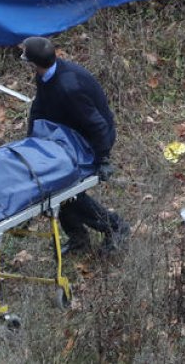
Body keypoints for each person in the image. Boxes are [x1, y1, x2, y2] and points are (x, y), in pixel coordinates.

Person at [21, 36, 131, 255]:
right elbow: (39, 107)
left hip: (89, 142)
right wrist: (31, 141)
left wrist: (102, 159)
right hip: (67, 137)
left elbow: (98, 125)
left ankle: (115, 226)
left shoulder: (68, 87)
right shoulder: (46, 75)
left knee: (66, 189)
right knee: (57, 184)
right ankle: (78, 239)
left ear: (34, 64)